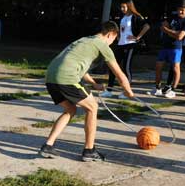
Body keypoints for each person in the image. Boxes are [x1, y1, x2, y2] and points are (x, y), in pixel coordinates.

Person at [39, 21, 134, 162]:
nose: (112, 43)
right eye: (114, 39)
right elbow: (119, 74)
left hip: (51, 77)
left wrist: (94, 84)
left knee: (70, 110)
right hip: (67, 78)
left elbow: (79, 67)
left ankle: (48, 146)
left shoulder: (83, 41)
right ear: (110, 34)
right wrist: (129, 92)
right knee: (93, 107)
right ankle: (89, 150)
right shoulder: (102, 45)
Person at [101, 0, 150, 99]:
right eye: (121, 7)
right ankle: (109, 90)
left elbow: (147, 26)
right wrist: (118, 36)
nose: (122, 8)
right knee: (113, 66)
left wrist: (137, 37)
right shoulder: (123, 17)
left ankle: (126, 92)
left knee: (126, 67)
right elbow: (121, 29)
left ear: (129, 6)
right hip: (120, 44)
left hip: (131, 44)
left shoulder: (136, 16)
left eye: (124, 7)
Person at [152, 0, 185, 98]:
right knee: (158, 66)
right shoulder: (173, 17)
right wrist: (173, 32)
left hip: (176, 47)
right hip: (165, 46)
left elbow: (180, 36)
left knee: (176, 68)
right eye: (179, 10)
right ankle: (158, 88)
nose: (180, 12)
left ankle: (173, 90)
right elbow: (162, 25)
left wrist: (167, 31)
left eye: (183, 10)